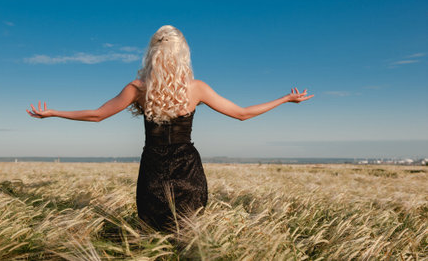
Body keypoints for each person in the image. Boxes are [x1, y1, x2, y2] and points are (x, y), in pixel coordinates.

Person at [26, 25, 314, 233]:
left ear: (152, 54)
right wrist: (286, 99)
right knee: (188, 235)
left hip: (153, 170)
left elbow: (97, 115)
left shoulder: (138, 88)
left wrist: (53, 113)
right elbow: (242, 114)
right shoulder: (197, 89)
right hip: (188, 170)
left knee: (152, 233)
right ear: (183, 55)